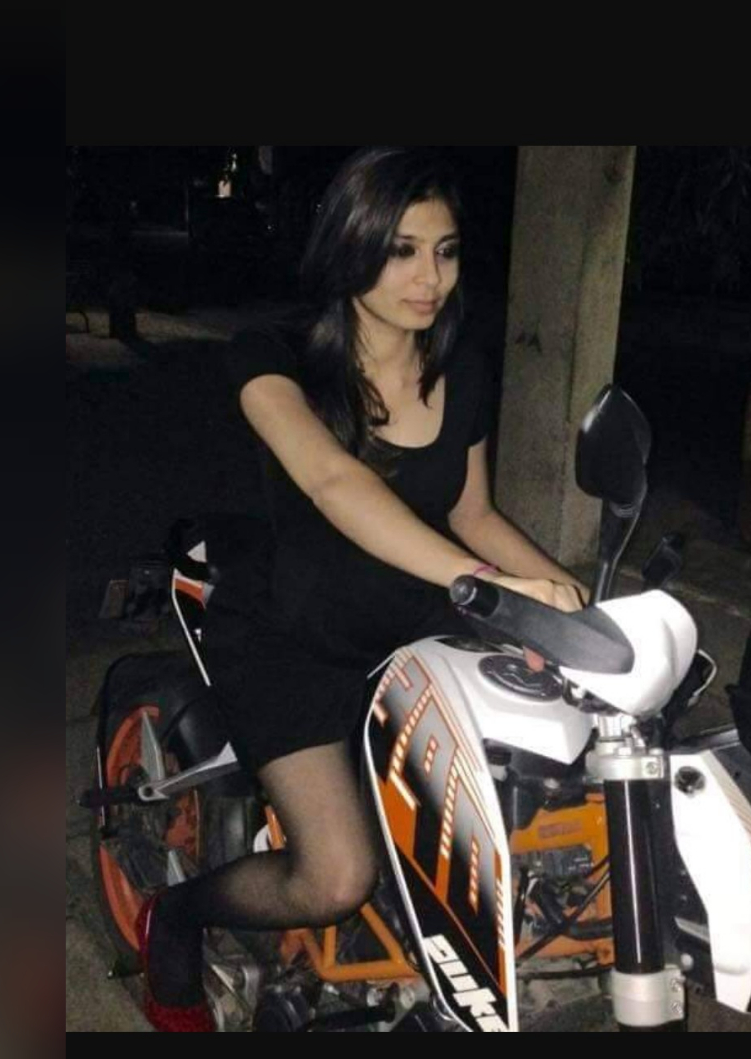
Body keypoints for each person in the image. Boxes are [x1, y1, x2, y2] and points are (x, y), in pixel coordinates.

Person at [134, 146, 588, 1032]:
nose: (429, 279)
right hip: (291, 638)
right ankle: (176, 916)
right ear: (351, 247)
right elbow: (335, 482)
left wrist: (565, 595)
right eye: (401, 251)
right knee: (335, 875)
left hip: (413, 630)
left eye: (445, 252)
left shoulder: (461, 369)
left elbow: (473, 511)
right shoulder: (273, 357)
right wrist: (487, 585)